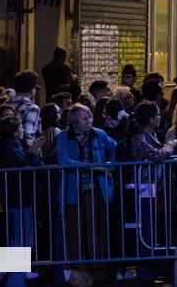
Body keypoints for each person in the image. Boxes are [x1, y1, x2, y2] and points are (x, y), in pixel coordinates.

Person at [57, 104, 117, 286]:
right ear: (74, 122)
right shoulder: (63, 137)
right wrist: (93, 167)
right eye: (84, 118)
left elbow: (115, 148)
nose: (89, 120)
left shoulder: (99, 134)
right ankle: (78, 272)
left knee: (97, 227)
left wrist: (110, 167)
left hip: (96, 188)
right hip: (73, 189)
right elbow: (64, 160)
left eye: (90, 117)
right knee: (74, 230)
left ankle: (99, 268)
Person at [0, 116, 43, 287]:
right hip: (18, 198)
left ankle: (18, 278)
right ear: (14, 131)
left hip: (22, 197)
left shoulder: (13, 146)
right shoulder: (8, 148)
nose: (22, 129)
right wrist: (34, 153)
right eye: (20, 127)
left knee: (24, 238)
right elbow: (24, 170)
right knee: (19, 239)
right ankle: (15, 281)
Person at [7, 70, 42, 146]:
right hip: (21, 152)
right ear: (33, 88)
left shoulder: (4, 104)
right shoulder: (32, 108)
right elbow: (28, 135)